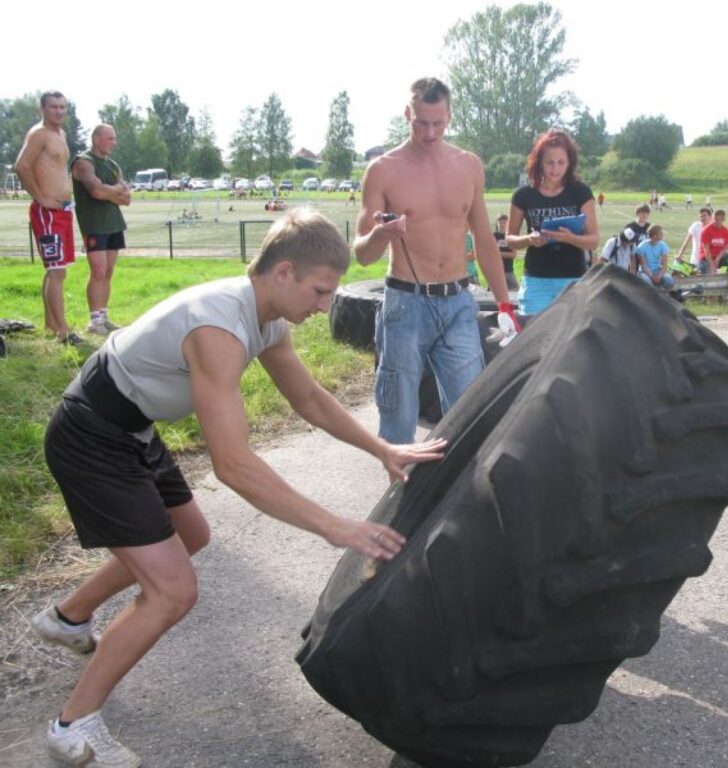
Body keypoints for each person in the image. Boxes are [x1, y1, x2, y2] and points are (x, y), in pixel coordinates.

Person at [31, 208, 446, 767]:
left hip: (131, 425)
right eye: (320, 291)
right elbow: (234, 465)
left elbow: (309, 399)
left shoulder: (267, 317)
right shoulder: (220, 327)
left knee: (191, 533)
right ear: (284, 272)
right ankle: (71, 725)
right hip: (92, 436)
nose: (325, 306)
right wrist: (334, 526)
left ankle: (68, 617)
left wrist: (383, 448)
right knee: (174, 591)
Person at [353, 78, 514, 444]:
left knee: (468, 414)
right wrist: (381, 235)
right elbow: (362, 255)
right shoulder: (383, 170)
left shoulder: (469, 166)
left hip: (458, 302)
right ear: (408, 114)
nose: (430, 132)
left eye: (438, 123)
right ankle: (402, 496)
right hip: (405, 304)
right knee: (398, 418)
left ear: (450, 116)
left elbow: (485, 240)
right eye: (421, 122)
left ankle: (458, 497)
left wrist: (504, 302)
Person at [505, 129, 599, 315]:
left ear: (569, 163)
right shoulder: (524, 195)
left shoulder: (580, 192)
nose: (555, 169)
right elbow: (510, 239)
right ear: (539, 162)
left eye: (561, 162)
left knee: (570, 341)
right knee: (534, 338)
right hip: (536, 280)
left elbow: (594, 240)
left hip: (572, 279)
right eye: (549, 162)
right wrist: (530, 239)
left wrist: (569, 238)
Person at [14, 91, 80, 345]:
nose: (59, 111)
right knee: (57, 272)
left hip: (62, 210)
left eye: (63, 107)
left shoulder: (60, 134)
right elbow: (21, 166)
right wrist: (40, 197)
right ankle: (63, 332)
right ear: (42, 108)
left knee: (54, 271)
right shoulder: (39, 134)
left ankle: (51, 325)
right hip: (47, 212)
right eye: (53, 107)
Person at [71, 124, 132, 336]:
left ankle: (104, 317)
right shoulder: (83, 162)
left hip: (114, 223)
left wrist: (112, 192)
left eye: (114, 139)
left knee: (108, 272)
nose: (114, 143)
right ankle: (94, 321)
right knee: (97, 271)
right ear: (96, 139)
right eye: (109, 138)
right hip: (94, 225)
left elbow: (127, 199)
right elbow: (95, 191)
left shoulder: (113, 165)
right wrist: (114, 191)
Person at [493, 213, 518, 291]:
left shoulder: (510, 236)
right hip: (496, 271)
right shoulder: (493, 236)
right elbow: (490, 254)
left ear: (508, 223)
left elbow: (514, 255)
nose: (502, 224)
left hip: (509, 270)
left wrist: (499, 254)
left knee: (515, 292)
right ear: (497, 223)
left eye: (504, 222)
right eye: (500, 222)